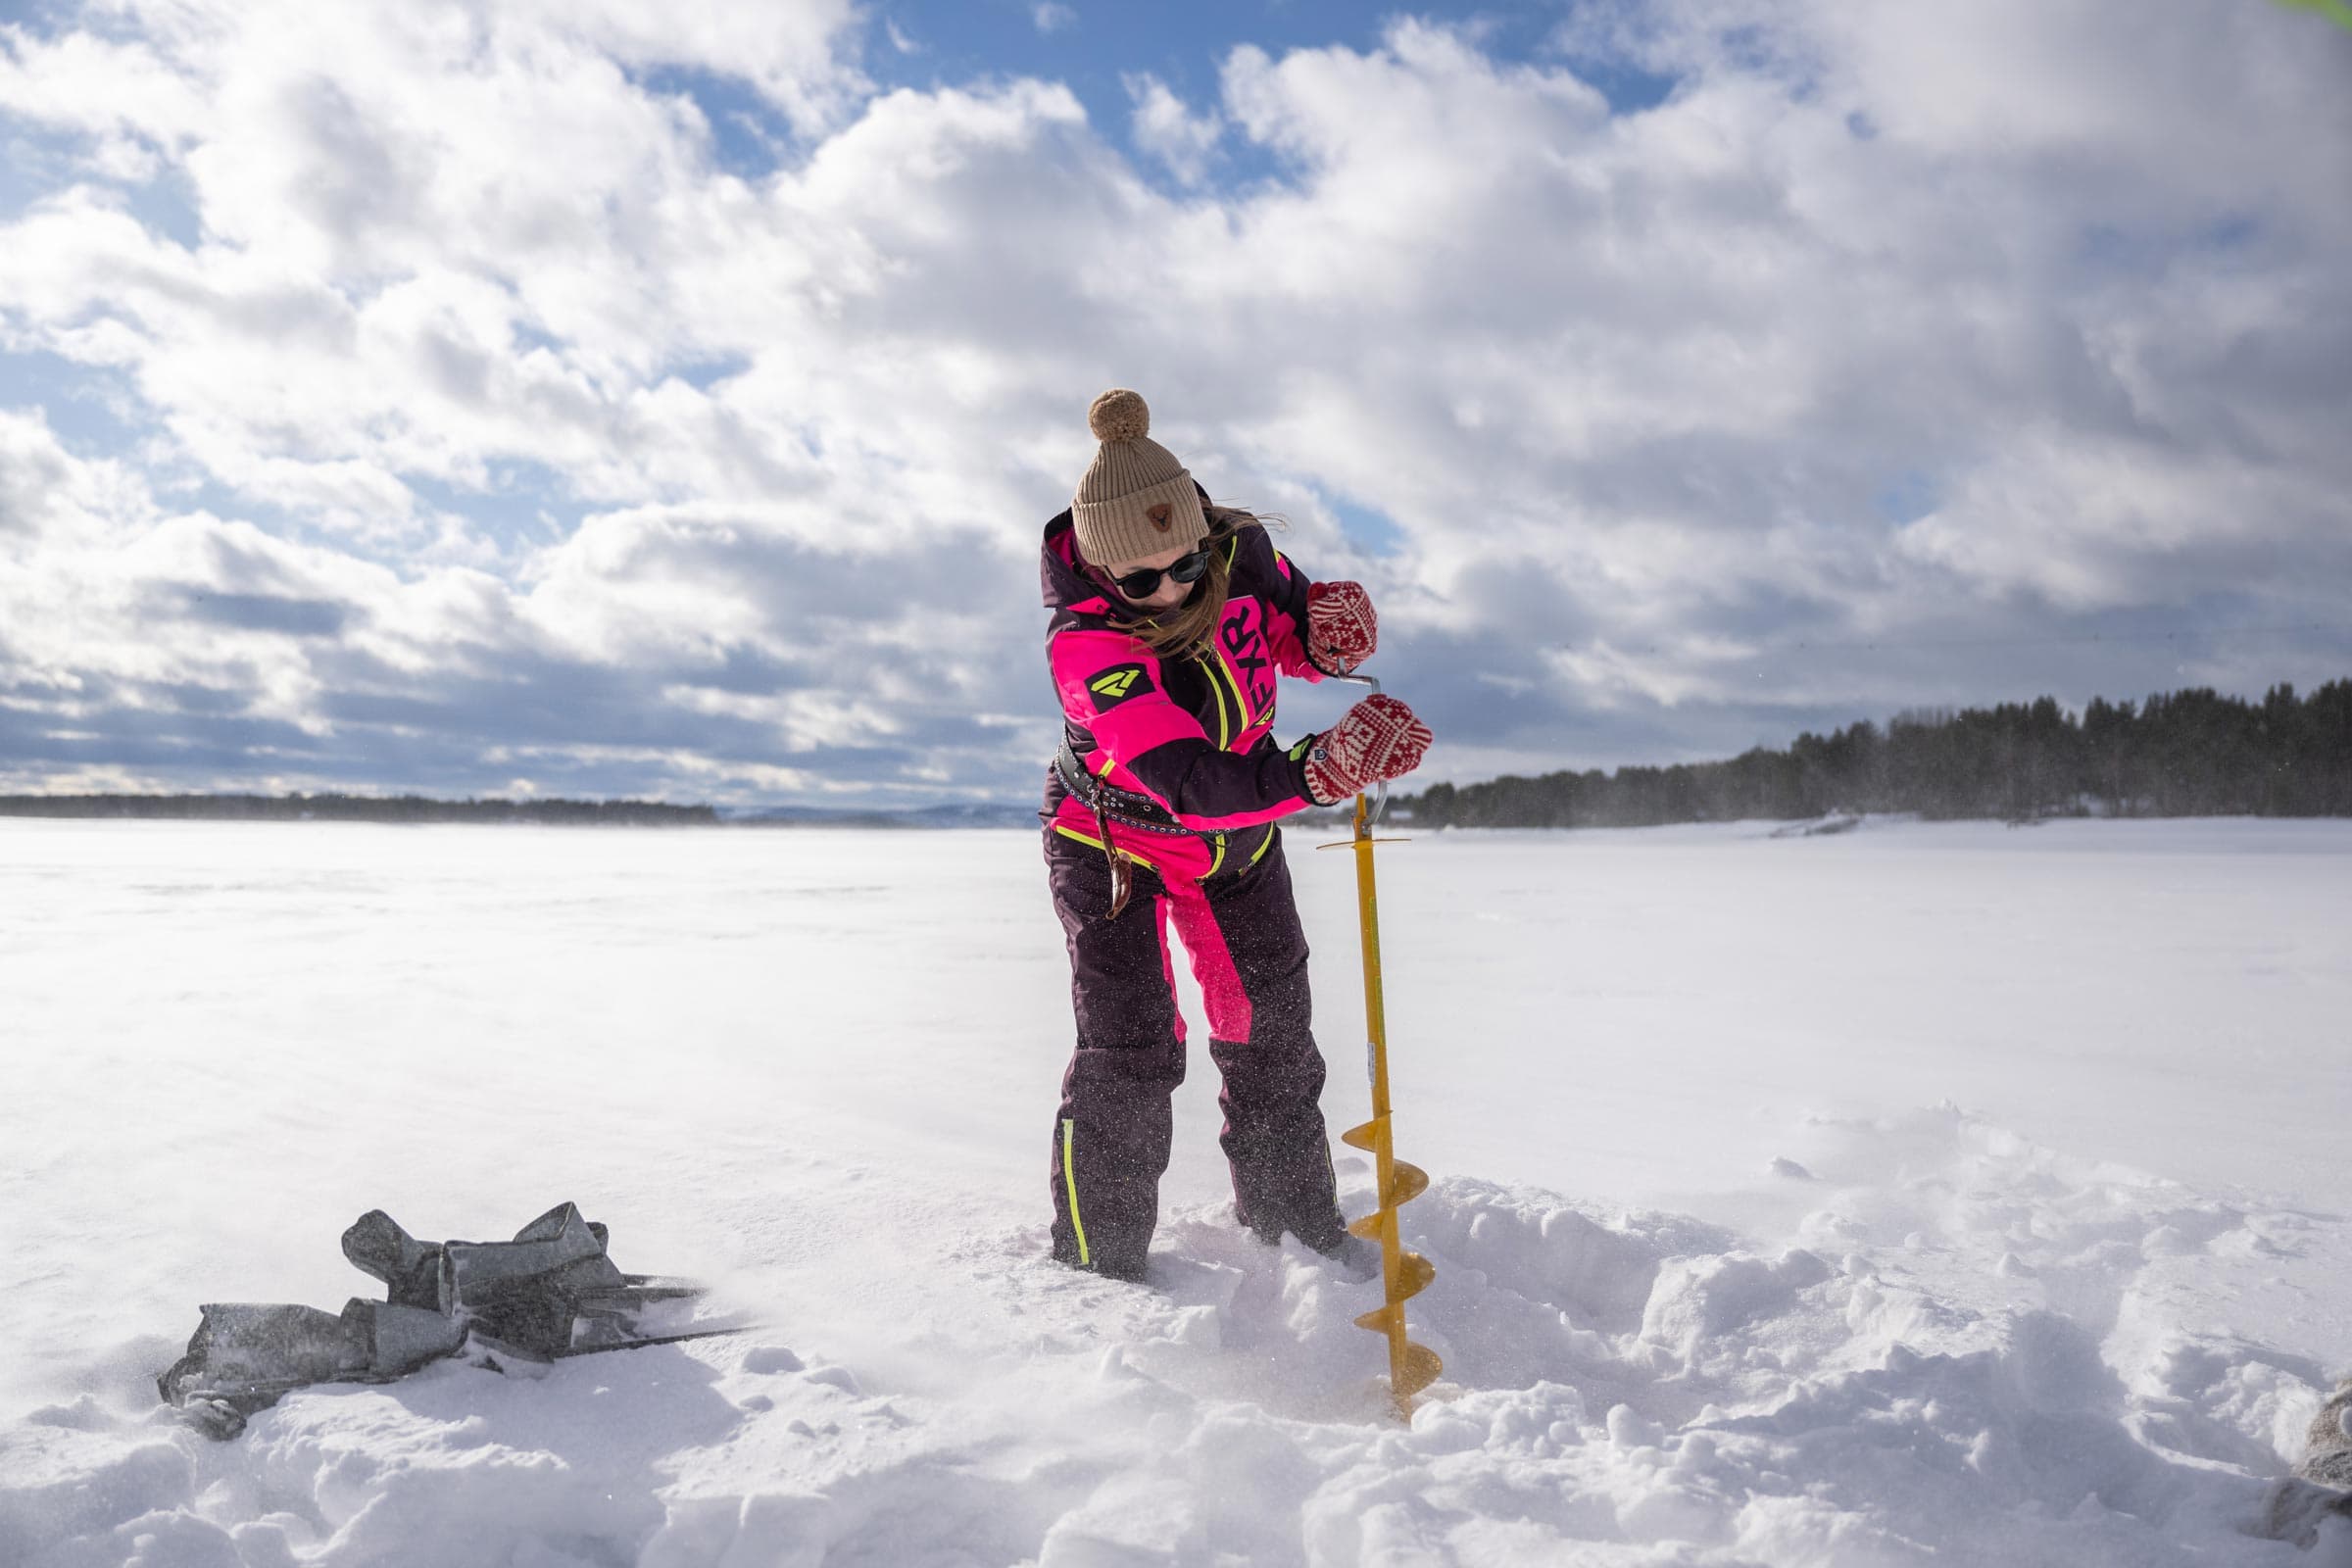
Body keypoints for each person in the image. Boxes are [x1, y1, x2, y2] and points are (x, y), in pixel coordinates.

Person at [1037, 387, 1435, 1282]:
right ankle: (1098, 1268)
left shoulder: (1238, 547)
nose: (1173, 587)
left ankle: (1296, 1233)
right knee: (1133, 1049)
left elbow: (1284, 622)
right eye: (1143, 580)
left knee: (1272, 1036)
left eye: (1187, 562)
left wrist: (1329, 639)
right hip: (1117, 850)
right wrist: (1310, 773)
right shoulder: (1087, 650)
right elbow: (1184, 782)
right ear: (1105, 573)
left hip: (1239, 846)